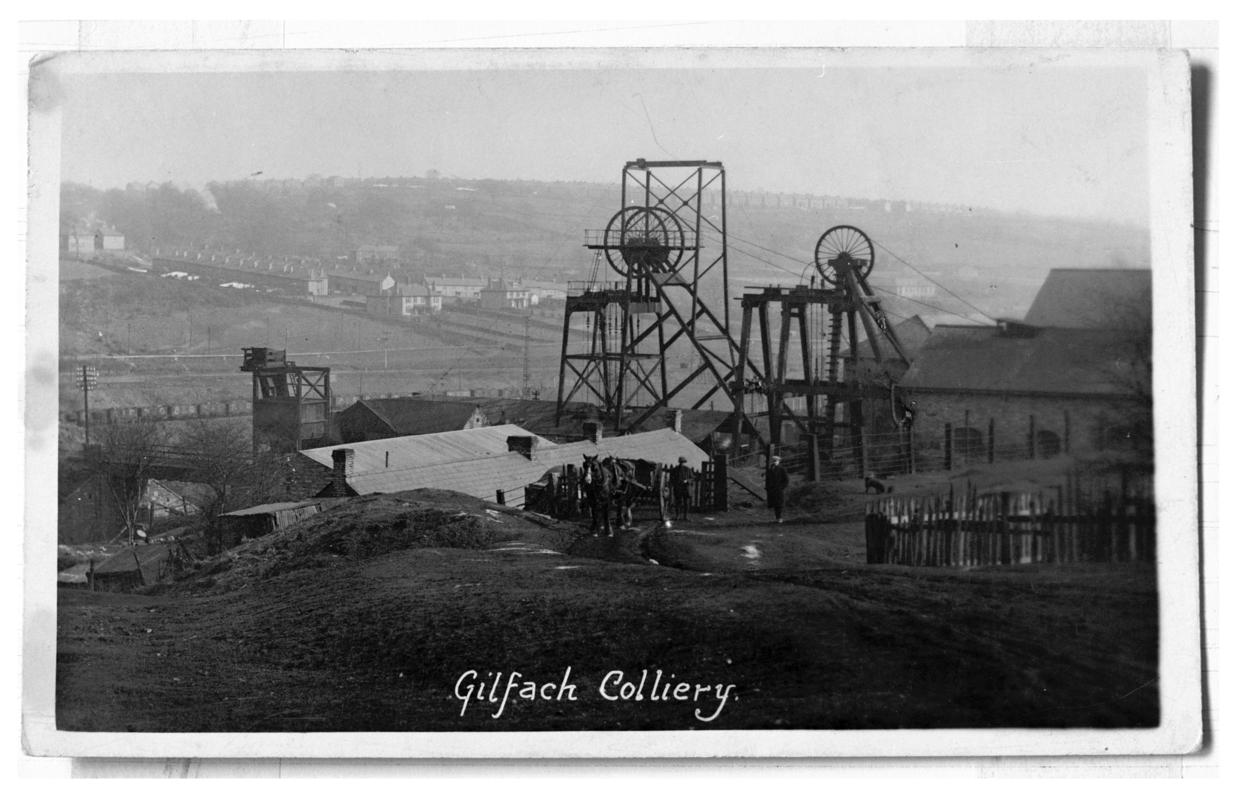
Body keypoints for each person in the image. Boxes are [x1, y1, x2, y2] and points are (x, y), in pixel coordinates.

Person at [765, 454, 790, 524]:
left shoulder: (782, 469)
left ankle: (779, 518)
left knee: (779, 504)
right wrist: (767, 487)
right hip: (771, 490)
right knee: (774, 504)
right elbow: (767, 480)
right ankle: (777, 517)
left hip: (779, 489)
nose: (774, 462)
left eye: (776, 461)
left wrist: (781, 487)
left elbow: (786, 480)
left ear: (779, 461)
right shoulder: (770, 469)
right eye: (773, 461)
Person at [670, 456, 693, 521]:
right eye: (680, 462)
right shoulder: (675, 470)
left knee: (686, 503)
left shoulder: (687, 469)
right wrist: (675, 484)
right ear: (679, 462)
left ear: (684, 462)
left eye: (683, 462)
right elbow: (671, 479)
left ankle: (686, 516)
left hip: (686, 489)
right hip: (678, 488)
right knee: (678, 503)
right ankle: (677, 516)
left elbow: (692, 478)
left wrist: (687, 481)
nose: (681, 463)